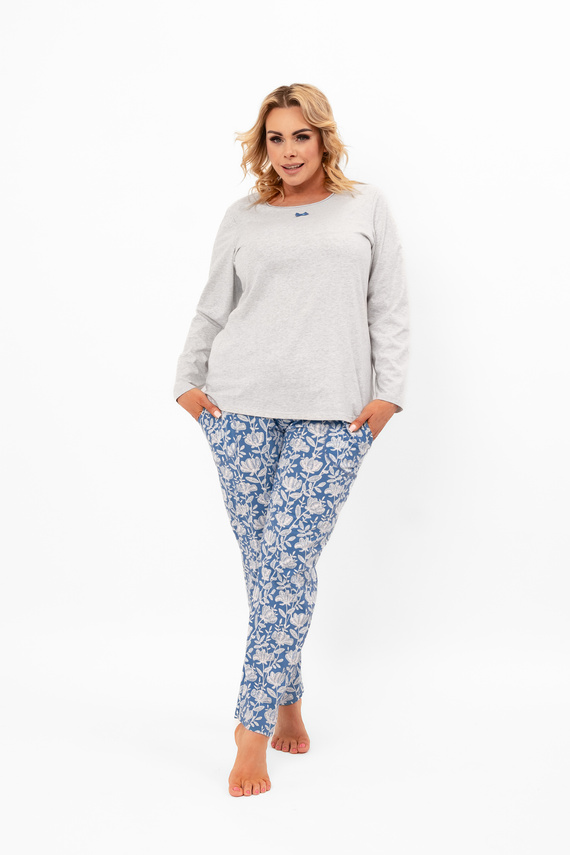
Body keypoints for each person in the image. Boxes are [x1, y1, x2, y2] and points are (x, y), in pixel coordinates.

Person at [173, 83, 410, 798]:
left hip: (332, 416)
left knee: (286, 561)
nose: (288, 151)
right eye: (275, 138)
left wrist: (388, 394)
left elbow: (389, 304)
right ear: (262, 145)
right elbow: (213, 307)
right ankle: (287, 699)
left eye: (301, 136)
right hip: (239, 408)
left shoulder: (365, 206)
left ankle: (249, 732)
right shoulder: (243, 217)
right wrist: (188, 382)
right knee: (268, 569)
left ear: (324, 138)